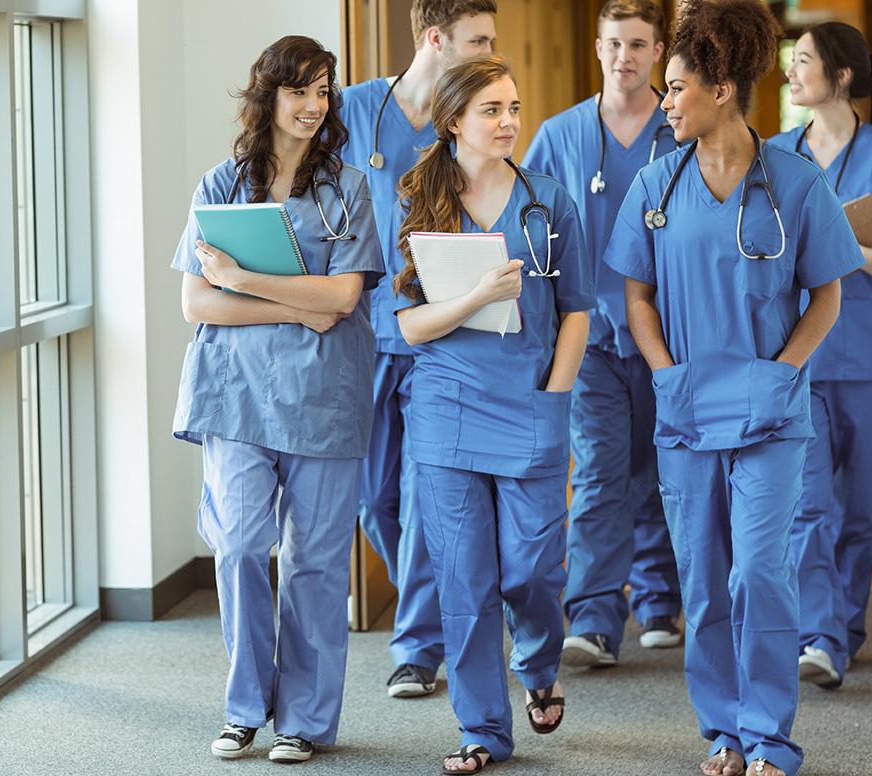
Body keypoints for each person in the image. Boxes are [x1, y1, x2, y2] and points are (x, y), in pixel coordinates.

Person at [603, 2, 865, 774]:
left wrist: (784, 371)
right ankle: (723, 731)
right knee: (706, 584)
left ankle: (769, 738)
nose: (665, 100)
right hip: (686, 411)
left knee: (760, 572)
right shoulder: (657, 181)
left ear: (721, 90)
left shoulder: (794, 181)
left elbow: (828, 294)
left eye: (677, 87)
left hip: (769, 414)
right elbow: (637, 296)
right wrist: (664, 373)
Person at [171, 35, 384, 764]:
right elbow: (198, 303)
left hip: (323, 398)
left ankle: (304, 718)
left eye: (324, 91)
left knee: (315, 564)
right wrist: (294, 303)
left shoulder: (348, 190)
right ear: (269, 96)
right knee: (236, 548)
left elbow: (343, 299)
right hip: (235, 397)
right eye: (299, 91)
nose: (313, 106)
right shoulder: (218, 187)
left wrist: (242, 278)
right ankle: (243, 708)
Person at [392, 56, 592, 773]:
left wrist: (554, 396)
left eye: (514, 107)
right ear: (453, 122)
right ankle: (482, 730)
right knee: (465, 579)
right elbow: (410, 327)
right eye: (492, 111)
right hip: (447, 408)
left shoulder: (550, 203)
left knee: (533, 571)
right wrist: (476, 296)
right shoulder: (416, 201)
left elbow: (576, 314)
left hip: (532, 404)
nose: (509, 122)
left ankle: (538, 666)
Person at [338, 0, 497, 699]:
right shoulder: (356, 110)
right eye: (478, 39)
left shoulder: (470, 117)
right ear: (436, 38)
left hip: (437, 335)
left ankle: (417, 646)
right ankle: (446, 600)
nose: (491, 51)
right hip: (366, 332)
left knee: (425, 494)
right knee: (375, 499)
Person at [770, 21, 872, 689]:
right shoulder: (777, 156)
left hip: (867, 362)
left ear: (840, 76)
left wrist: (838, 246)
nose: (791, 71)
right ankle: (820, 636)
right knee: (807, 504)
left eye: (803, 60)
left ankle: (842, 628)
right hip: (800, 357)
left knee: (859, 509)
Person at [521, 0, 683, 669]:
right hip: (587, 336)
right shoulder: (560, 136)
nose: (626, 58)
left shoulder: (681, 132)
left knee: (662, 467)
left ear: (657, 52)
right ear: (598, 47)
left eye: (639, 45)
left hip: (669, 335)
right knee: (599, 472)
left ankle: (658, 599)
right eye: (615, 44)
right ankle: (592, 614)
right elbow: (526, 223)